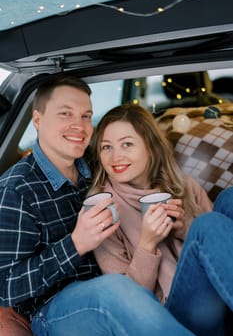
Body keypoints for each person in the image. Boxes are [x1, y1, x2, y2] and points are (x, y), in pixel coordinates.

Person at [0, 75, 195, 336]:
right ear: (37, 120)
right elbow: (5, 286)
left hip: (121, 290)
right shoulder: (15, 190)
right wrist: (75, 244)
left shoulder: (98, 166)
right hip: (55, 311)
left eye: (85, 116)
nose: (78, 125)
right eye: (65, 114)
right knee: (114, 290)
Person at [89, 103, 233, 336]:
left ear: (151, 147)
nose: (115, 157)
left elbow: (219, 250)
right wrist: (147, 243)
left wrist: (184, 228)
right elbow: (125, 303)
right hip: (171, 313)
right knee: (208, 224)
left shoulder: (182, 185)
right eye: (106, 147)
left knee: (229, 198)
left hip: (219, 289)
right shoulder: (103, 210)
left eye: (127, 144)